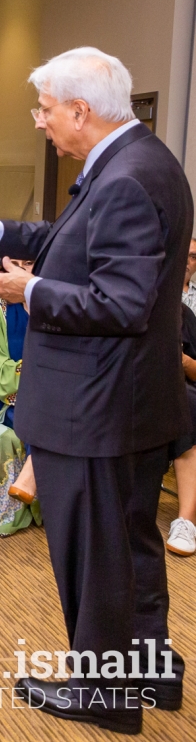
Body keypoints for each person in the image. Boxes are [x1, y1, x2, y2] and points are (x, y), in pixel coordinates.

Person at [0, 47, 191, 730]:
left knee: (98, 552)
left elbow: (122, 302)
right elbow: (76, 242)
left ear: (81, 111)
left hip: (98, 406)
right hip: (129, 400)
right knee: (132, 542)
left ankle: (103, 693)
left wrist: (33, 290)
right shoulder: (137, 162)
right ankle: (147, 671)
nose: (40, 122)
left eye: (45, 110)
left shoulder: (126, 179)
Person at [0, 261, 41, 536]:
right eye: (16, 264)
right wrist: (41, 366)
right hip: (5, 401)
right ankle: (14, 505)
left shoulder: (58, 308)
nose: (23, 270)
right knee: (7, 437)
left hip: (55, 395)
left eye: (30, 264)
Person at [170, 238, 196, 555]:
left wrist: (186, 363)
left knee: (187, 403)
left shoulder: (185, 316)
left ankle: (186, 521)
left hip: (183, 391)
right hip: (132, 390)